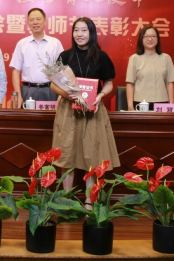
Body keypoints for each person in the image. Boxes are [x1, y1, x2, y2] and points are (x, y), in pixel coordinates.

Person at [50, 17, 120, 209]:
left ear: (91, 33)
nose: (79, 34)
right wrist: (68, 95)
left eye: (83, 30)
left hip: (92, 110)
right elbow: (53, 85)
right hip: (69, 111)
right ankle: (66, 198)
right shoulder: (64, 56)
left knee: (92, 154)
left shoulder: (102, 56)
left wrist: (101, 96)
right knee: (67, 153)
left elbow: (108, 83)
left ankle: (90, 199)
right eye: (76, 30)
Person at [10, 7, 63, 106]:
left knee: (51, 117)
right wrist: (18, 94)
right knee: (27, 117)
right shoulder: (22, 44)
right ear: (28, 23)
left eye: (38, 19)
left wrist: (61, 93)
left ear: (45, 21)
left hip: (51, 90)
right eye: (32, 20)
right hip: (28, 90)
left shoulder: (55, 43)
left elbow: (61, 70)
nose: (35, 22)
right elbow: (15, 71)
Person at [125, 25, 174, 111]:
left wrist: (171, 105)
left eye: (153, 36)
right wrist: (130, 106)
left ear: (157, 38)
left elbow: (169, 83)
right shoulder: (134, 58)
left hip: (162, 103)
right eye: (146, 36)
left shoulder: (166, 58)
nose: (150, 39)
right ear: (141, 39)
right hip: (141, 103)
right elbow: (130, 84)